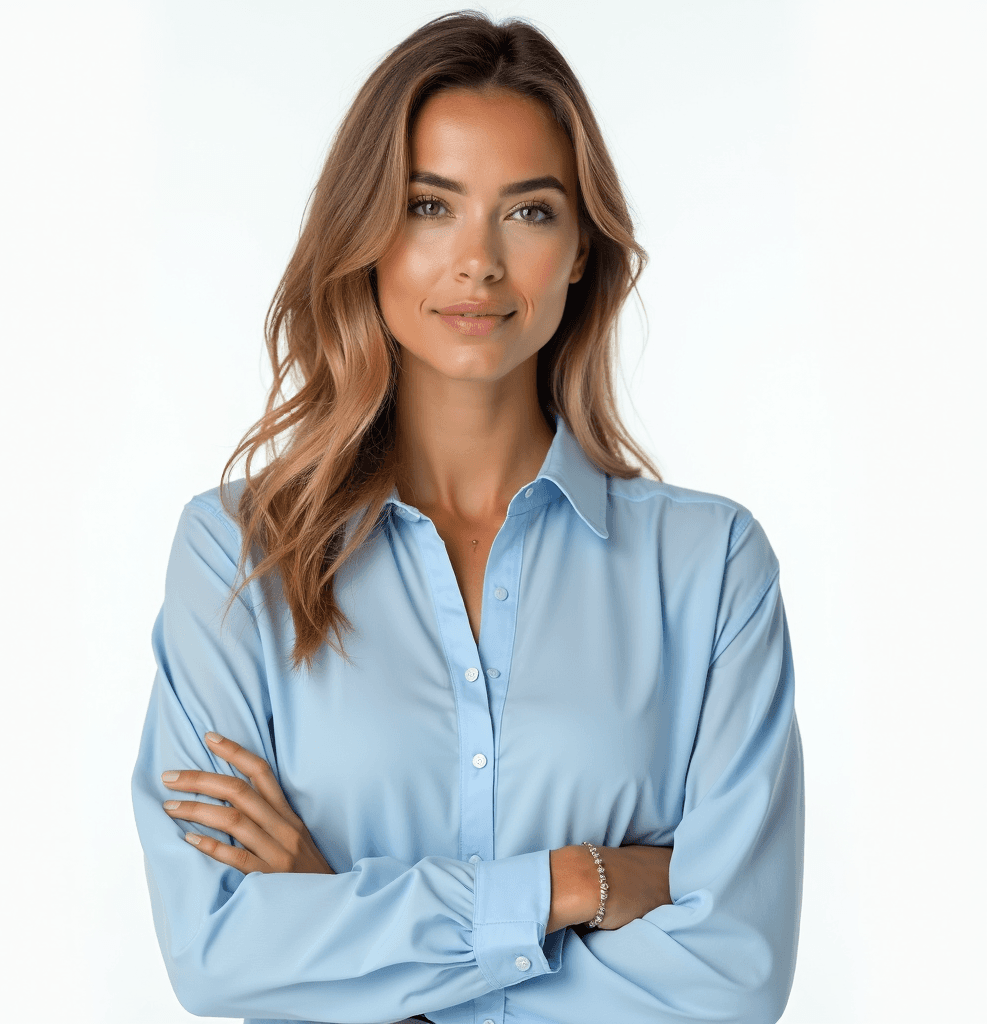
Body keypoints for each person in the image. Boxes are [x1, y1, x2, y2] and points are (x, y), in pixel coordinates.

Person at [131, 11, 804, 1024]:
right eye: (428, 205)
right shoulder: (238, 554)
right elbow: (217, 949)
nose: (477, 261)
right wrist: (573, 883)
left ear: (581, 250)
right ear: (365, 232)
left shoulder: (708, 570)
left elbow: (730, 978)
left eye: (528, 213)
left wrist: (329, 913)